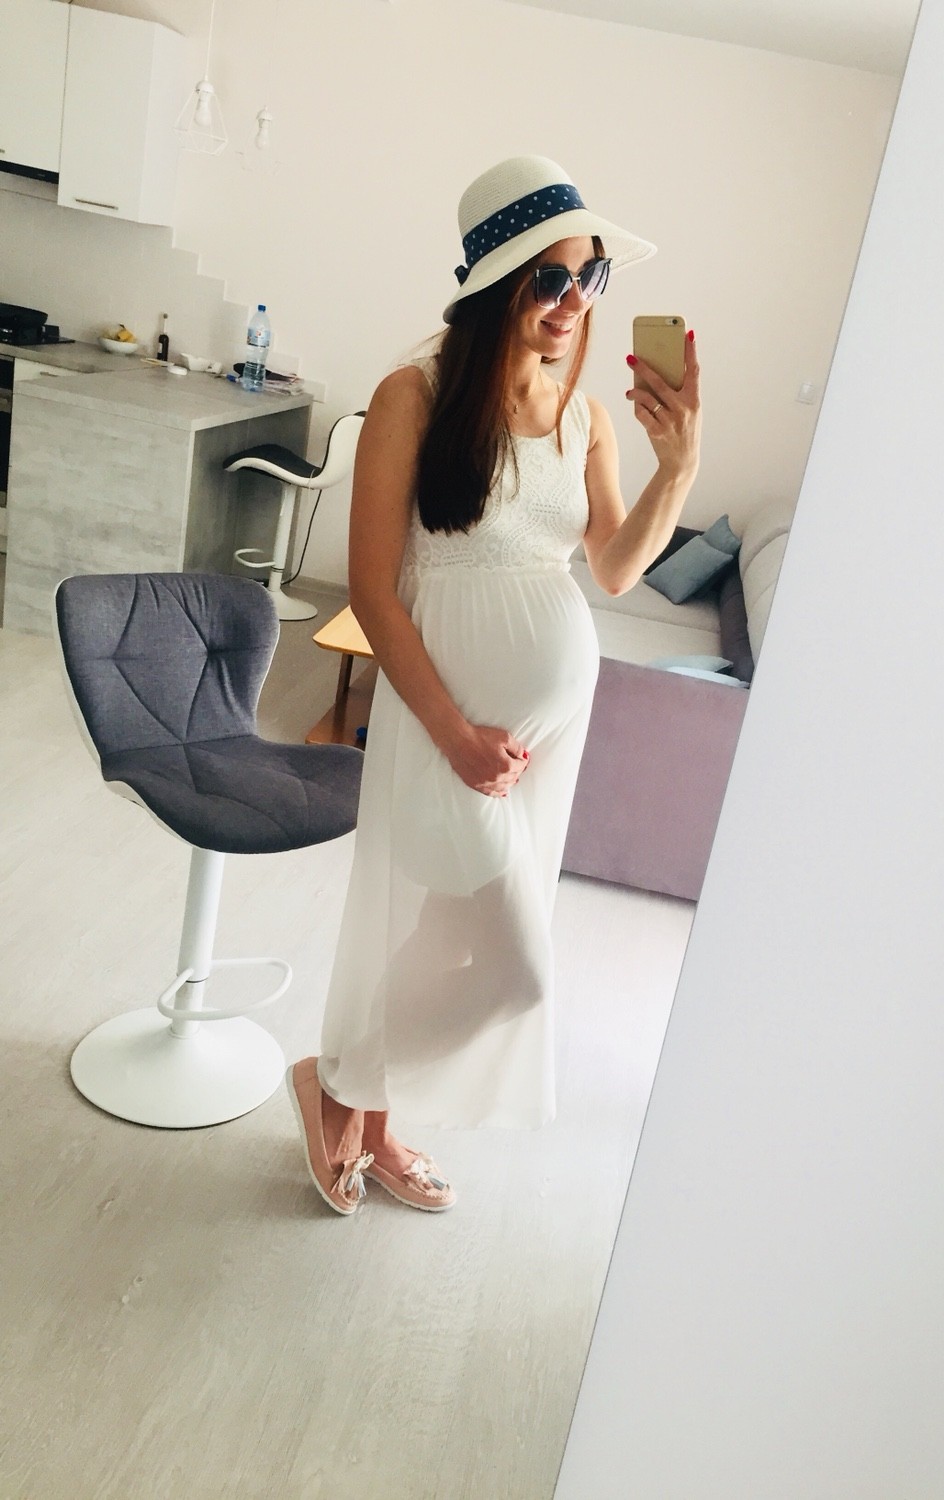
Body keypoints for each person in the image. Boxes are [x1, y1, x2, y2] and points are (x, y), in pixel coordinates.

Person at [287, 155, 702, 1215]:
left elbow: (615, 568)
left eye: (589, 275)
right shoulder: (413, 396)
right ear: (493, 285)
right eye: (548, 278)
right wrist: (455, 735)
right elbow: (373, 591)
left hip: (540, 744)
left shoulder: (583, 417)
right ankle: (336, 1083)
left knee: (448, 935)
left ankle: (373, 1117)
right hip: (449, 731)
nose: (573, 301)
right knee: (518, 973)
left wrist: (679, 469)